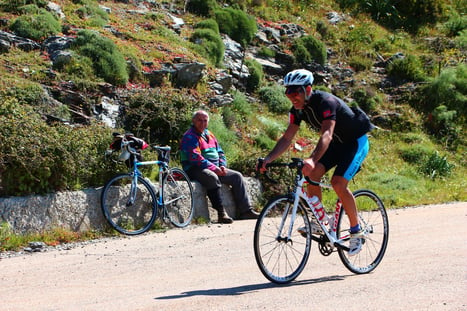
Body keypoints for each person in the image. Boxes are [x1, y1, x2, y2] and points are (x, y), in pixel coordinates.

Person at [259, 69, 375, 256]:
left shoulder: (326, 103)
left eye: (295, 92)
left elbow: (327, 134)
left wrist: (312, 159)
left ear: (308, 89)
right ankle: (319, 222)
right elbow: (288, 137)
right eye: (288, 92)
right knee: (311, 174)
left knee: (337, 183)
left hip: (355, 143)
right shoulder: (297, 110)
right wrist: (268, 159)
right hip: (336, 145)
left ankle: (356, 231)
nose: (291, 96)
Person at [180, 110, 259, 224]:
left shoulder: (209, 134)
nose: (202, 123)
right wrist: (214, 168)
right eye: (199, 120)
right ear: (193, 121)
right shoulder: (189, 136)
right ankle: (221, 213)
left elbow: (220, 152)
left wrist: (222, 166)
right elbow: (195, 157)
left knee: (237, 176)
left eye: (205, 120)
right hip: (194, 169)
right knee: (211, 177)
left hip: (215, 168)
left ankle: (246, 211)